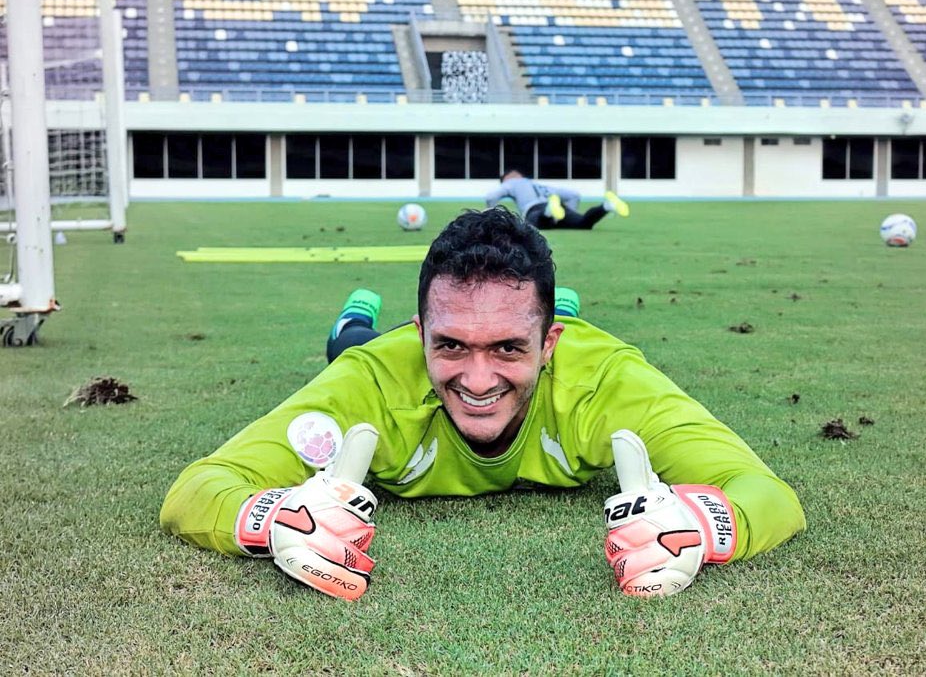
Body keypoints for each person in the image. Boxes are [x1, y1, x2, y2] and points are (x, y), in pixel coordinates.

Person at [160, 207, 805, 600]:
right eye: (449, 345)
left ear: (549, 345)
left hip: (563, 344)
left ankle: (549, 312)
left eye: (508, 347)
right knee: (348, 345)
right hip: (375, 351)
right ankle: (356, 317)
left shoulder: (606, 382)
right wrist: (274, 518)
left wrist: (702, 526)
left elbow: (769, 496)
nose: (475, 380)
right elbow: (197, 490)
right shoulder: (371, 383)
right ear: (421, 335)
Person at [484, 169, 630, 230]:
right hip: (558, 205)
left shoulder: (511, 182)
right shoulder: (538, 184)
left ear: (508, 177)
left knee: (532, 226)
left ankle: (549, 212)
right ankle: (606, 206)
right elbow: (574, 195)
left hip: (535, 208)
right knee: (583, 223)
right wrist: (567, 214)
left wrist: (490, 211)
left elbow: (491, 196)